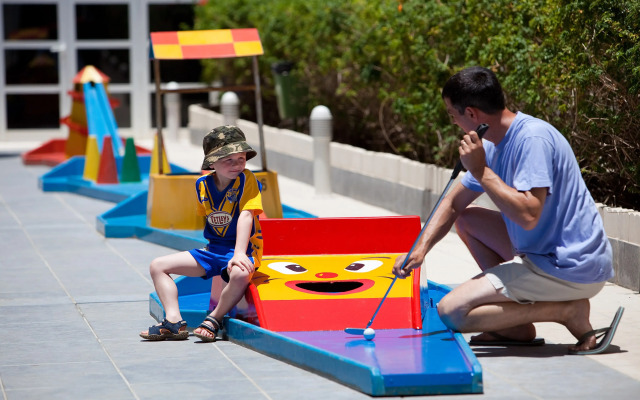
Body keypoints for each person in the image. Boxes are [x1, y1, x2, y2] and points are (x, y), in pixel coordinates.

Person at [392, 66, 622, 355]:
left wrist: (482, 170)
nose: (453, 122)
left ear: (472, 114)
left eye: (453, 114)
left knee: (452, 311)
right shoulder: (492, 143)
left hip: (569, 265)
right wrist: (420, 248)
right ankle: (515, 327)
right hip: (541, 251)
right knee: (468, 219)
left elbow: (528, 214)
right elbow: (453, 203)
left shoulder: (532, 139)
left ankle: (565, 311)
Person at [140, 125, 263, 342]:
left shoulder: (247, 180)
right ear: (212, 163)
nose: (237, 165)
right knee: (157, 266)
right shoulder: (202, 185)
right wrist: (210, 258)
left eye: (241, 158)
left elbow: (246, 216)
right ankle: (174, 321)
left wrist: (240, 254)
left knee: (241, 273)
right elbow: (210, 222)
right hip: (213, 250)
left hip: (242, 249)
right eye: (228, 160)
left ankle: (214, 319)